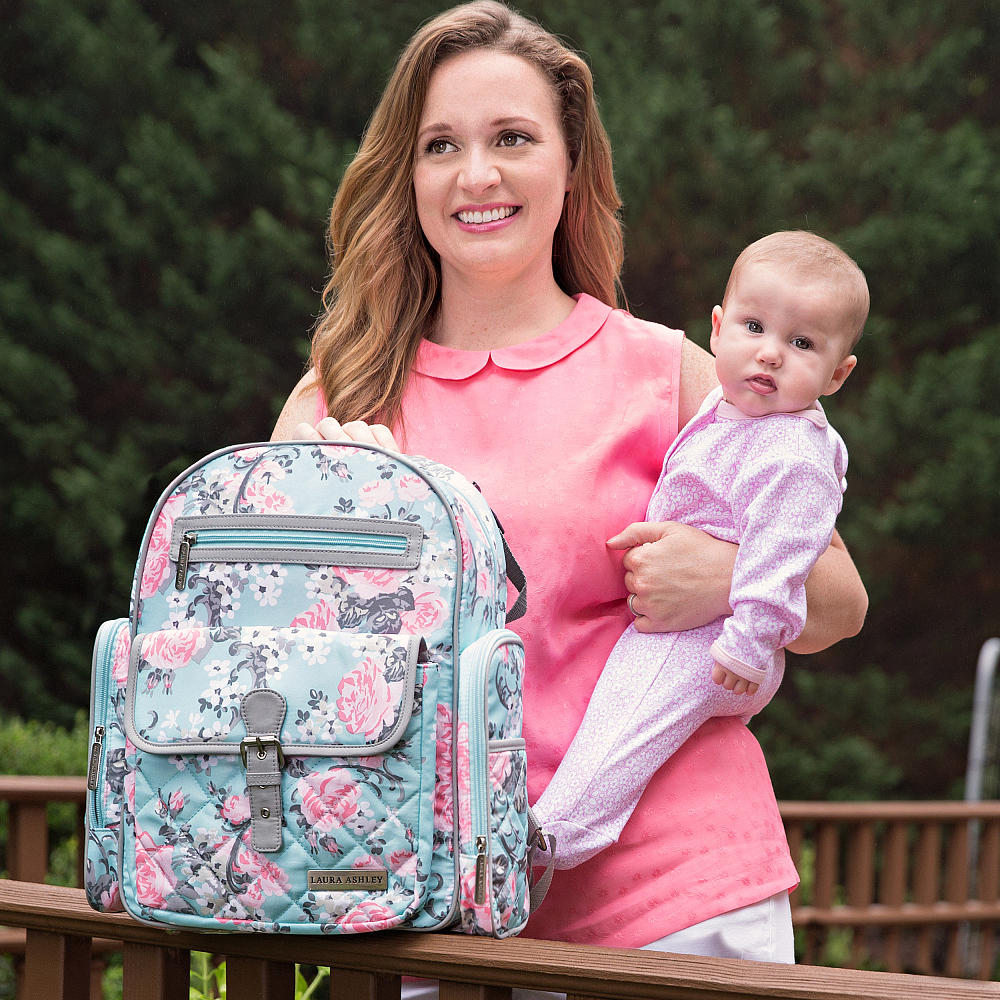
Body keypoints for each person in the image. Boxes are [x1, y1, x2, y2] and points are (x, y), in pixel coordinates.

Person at [273, 0, 868, 963]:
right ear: (409, 175)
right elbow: (271, 659)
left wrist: (725, 578)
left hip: (676, 897)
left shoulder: (672, 371)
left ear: (571, 165)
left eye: (513, 137)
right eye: (440, 145)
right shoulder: (338, 399)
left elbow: (842, 603)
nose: (478, 175)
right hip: (427, 905)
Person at [532, 231, 867, 870]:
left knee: (631, 724)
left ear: (838, 372)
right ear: (717, 328)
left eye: (802, 344)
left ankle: (553, 839)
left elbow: (784, 558)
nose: (769, 354)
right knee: (619, 712)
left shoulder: (794, 454)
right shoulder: (727, 409)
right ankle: (556, 825)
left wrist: (745, 640)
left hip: (720, 642)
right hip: (697, 629)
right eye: (753, 327)